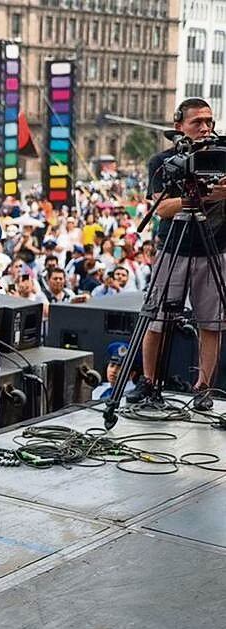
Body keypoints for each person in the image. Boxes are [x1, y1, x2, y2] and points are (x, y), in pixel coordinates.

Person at [132, 98, 226, 410]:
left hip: (215, 248)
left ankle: (205, 388)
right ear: (179, 126)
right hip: (174, 247)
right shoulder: (164, 161)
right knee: (156, 318)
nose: (204, 128)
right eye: (197, 122)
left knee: (211, 321)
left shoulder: (223, 156)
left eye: (208, 121)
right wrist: (205, 195)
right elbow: (162, 208)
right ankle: (148, 382)